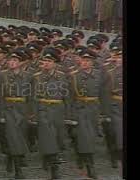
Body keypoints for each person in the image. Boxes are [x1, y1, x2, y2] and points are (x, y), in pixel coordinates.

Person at [32, 48, 70, 179]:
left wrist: (69, 115)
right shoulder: (36, 77)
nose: (47, 63)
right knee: (48, 136)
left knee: (57, 137)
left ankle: (46, 156)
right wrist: (33, 114)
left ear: (55, 63)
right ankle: (55, 168)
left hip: (58, 110)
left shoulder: (62, 76)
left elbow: (67, 97)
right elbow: (32, 97)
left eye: (49, 61)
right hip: (43, 110)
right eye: (45, 60)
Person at [69, 49, 107, 179]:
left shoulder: (99, 75)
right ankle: (90, 166)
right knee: (84, 136)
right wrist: (71, 116)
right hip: (80, 109)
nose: (84, 63)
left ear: (92, 62)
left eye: (87, 61)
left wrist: (103, 113)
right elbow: (70, 98)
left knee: (90, 137)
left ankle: (81, 155)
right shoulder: (74, 76)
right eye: (83, 60)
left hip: (94, 110)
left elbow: (103, 94)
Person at [0, 49, 31, 179]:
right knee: (13, 136)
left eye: (15, 60)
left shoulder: (28, 76)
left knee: (19, 136)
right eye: (10, 60)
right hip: (8, 109)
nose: (12, 62)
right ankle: (18, 170)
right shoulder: (2, 75)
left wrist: (31, 112)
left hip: (22, 110)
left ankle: (11, 158)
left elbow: (31, 96)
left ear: (21, 62)